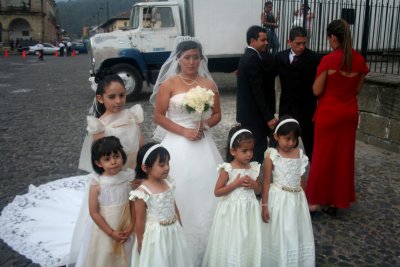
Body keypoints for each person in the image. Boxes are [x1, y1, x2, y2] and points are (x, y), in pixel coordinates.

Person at [151, 37, 223, 266]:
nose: (192, 62)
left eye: (196, 58)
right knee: (178, 187)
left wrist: (205, 126)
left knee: (206, 187)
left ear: (201, 59)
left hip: (203, 142)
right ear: (178, 59)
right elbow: (159, 116)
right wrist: (183, 131)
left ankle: (211, 243)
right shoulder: (169, 84)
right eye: (187, 57)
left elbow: (217, 114)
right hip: (176, 142)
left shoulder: (209, 84)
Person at [306, 19, 369, 216]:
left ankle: (314, 201)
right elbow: (357, 90)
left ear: (333, 37)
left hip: (329, 114)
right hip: (349, 114)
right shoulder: (359, 61)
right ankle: (335, 202)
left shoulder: (329, 60)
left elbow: (316, 90)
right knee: (342, 159)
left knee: (322, 158)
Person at [202, 125, 262, 267]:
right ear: (233, 151)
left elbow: (259, 190)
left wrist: (253, 184)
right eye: (244, 151)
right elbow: (217, 192)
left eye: (251, 150)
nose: (249, 154)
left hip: (249, 212)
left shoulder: (253, 167)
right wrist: (235, 184)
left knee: (248, 240)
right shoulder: (227, 169)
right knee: (233, 240)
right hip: (232, 213)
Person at [261, 116, 315, 266]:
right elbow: (266, 182)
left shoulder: (299, 154)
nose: (291, 143)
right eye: (287, 138)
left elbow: (301, 178)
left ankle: (294, 260)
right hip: (278, 199)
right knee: (280, 231)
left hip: (296, 199)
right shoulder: (271, 156)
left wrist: (303, 200)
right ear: (276, 136)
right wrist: (264, 205)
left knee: (295, 230)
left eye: (295, 139)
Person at [74, 136, 135, 267]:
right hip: (105, 229)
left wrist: (131, 226)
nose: (113, 162)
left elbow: (133, 204)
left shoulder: (128, 178)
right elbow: (94, 212)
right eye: (107, 159)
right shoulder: (97, 183)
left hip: (126, 226)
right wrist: (111, 232)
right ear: (98, 163)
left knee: (128, 252)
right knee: (105, 255)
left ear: (122, 156)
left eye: (116, 156)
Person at [129, 143, 193, 267]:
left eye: (168, 163)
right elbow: (140, 220)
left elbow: (174, 207)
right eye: (161, 164)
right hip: (156, 236)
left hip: (173, 230)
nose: (167, 168)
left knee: (175, 258)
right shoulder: (142, 192)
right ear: (145, 168)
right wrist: (141, 242)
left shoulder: (168, 183)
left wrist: (179, 226)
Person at [78, 69, 144, 173]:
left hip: (136, 173)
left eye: (122, 95)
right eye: (112, 97)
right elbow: (101, 159)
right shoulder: (100, 126)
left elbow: (141, 147)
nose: (118, 101)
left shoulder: (132, 117)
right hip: (115, 177)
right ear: (100, 98)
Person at [273, 26, 321, 162]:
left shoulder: (314, 58)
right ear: (289, 42)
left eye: (304, 43)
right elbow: (268, 75)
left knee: (310, 145)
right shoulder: (280, 57)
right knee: (284, 144)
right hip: (286, 109)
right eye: (298, 43)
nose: (301, 47)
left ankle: (314, 175)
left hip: (306, 110)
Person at [237, 25, 277, 164]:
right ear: (252, 41)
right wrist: (269, 116)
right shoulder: (252, 59)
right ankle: (255, 179)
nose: (266, 42)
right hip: (254, 116)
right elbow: (257, 91)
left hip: (250, 114)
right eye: (263, 40)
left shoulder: (248, 56)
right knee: (257, 149)